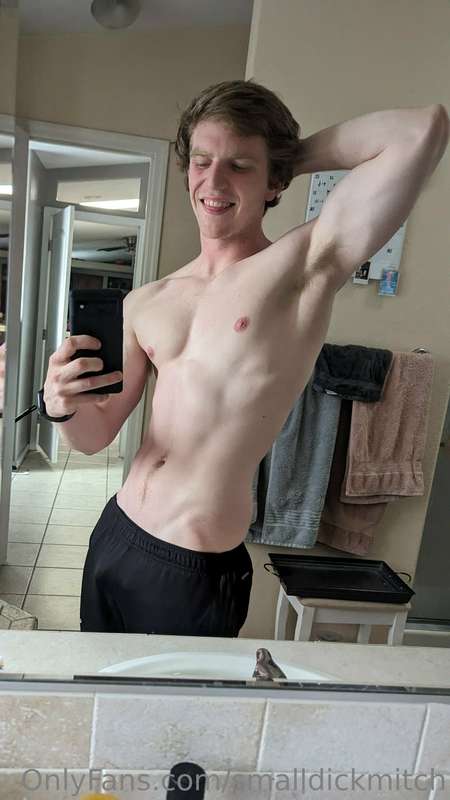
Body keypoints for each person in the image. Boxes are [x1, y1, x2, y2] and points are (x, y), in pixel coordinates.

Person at [42, 80, 449, 636]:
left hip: (192, 560)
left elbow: (421, 130)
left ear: (274, 181)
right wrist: (61, 405)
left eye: (238, 166)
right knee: (97, 688)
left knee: (174, 699)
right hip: (116, 532)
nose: (213, 182)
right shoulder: (147, 300)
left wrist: (284, 158)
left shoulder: (302, 267)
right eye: (202, 161)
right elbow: (94, 437)